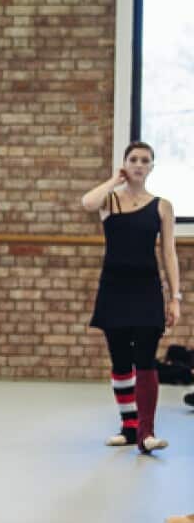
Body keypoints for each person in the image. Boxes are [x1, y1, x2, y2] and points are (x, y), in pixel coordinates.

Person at [80, 141, 180, 454]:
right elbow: (87, 202)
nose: (139, 164)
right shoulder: (110, 201)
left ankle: (146, 433)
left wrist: (175, 297)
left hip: (147, 288)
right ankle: (129, 427)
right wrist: (114, 180)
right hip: (114, 287)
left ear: (152, 167)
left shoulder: (162, 205)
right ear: (125, 164)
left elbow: (168, 253)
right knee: (121, 359)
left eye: (145, 160)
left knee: (146, 358)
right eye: (133, 159)